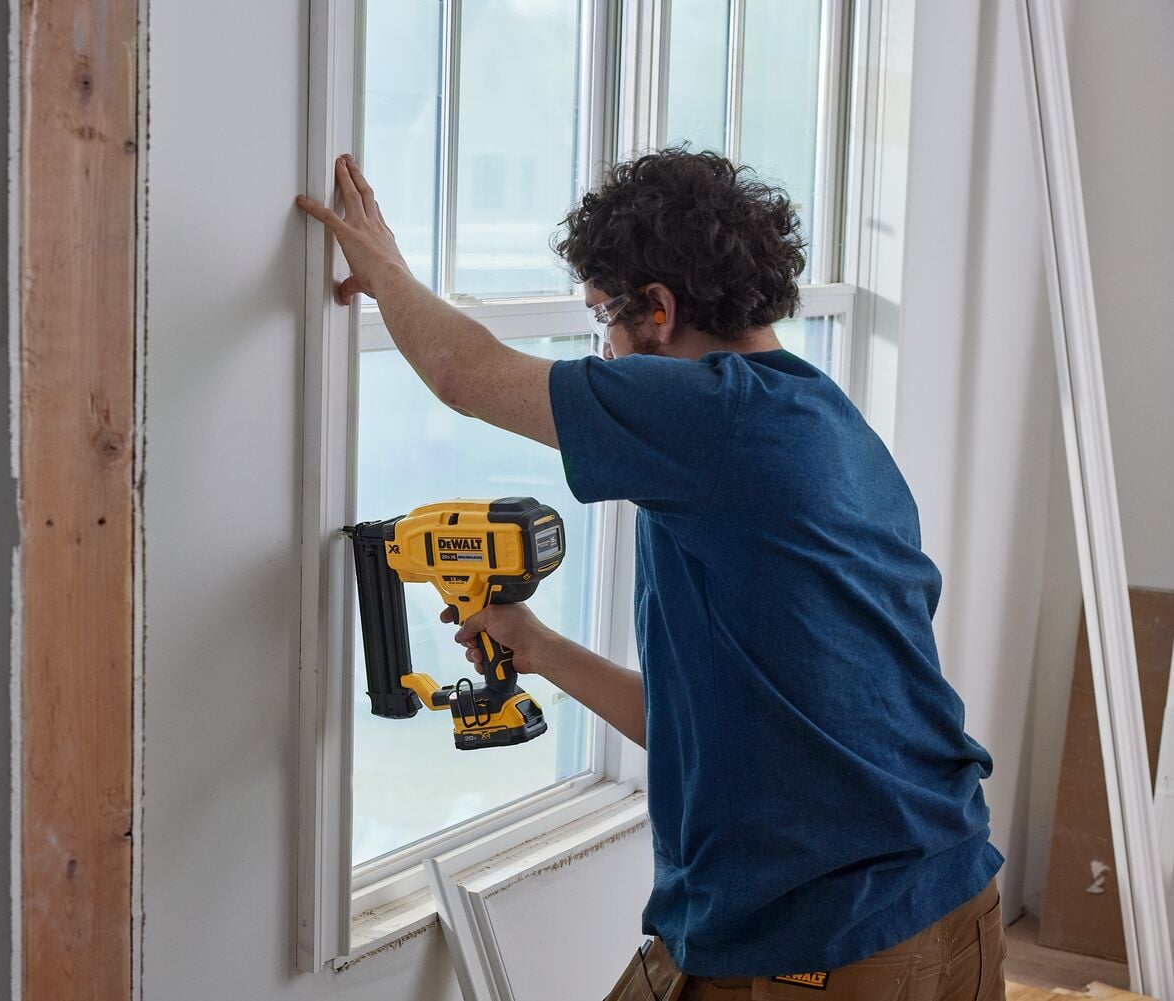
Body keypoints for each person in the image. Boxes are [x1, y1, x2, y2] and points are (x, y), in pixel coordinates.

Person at [297, 147, 1005, 1001]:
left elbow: (465, 375)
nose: (600, 349)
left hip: (828, 941)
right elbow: (699, 731)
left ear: (658, 310)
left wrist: (386, 272)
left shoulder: (713, 414)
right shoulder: (826, 423)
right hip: (946, 897)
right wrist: (541, 648)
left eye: (604, 319)